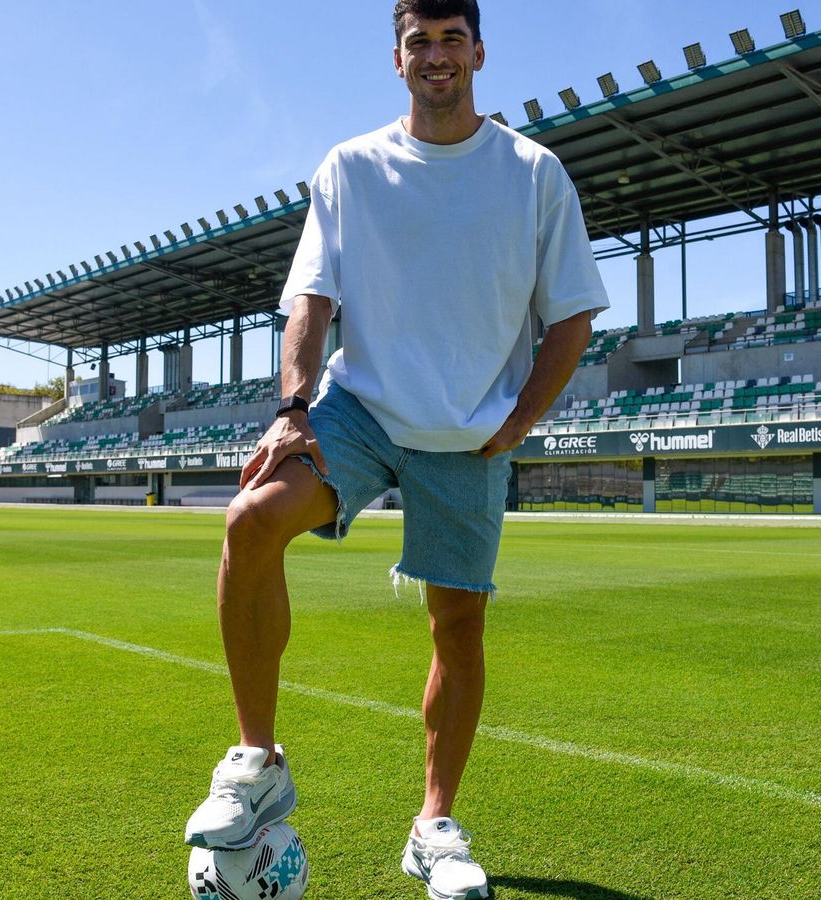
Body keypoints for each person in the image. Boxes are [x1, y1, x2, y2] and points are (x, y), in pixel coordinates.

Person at [184, 1, 608, 896]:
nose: (438, 55)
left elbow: (573, 313)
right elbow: (311, 299)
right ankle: (258, 761)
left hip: (470, 432)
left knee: (458, 625)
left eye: (453, 38)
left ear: (480, 52)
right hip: (361, 410)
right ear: (398, 57)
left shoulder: (533, 174)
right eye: (421, 40)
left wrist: (521, 419)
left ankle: (433, 826)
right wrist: (293, 407)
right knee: (252, 517)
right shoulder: (351, 166)